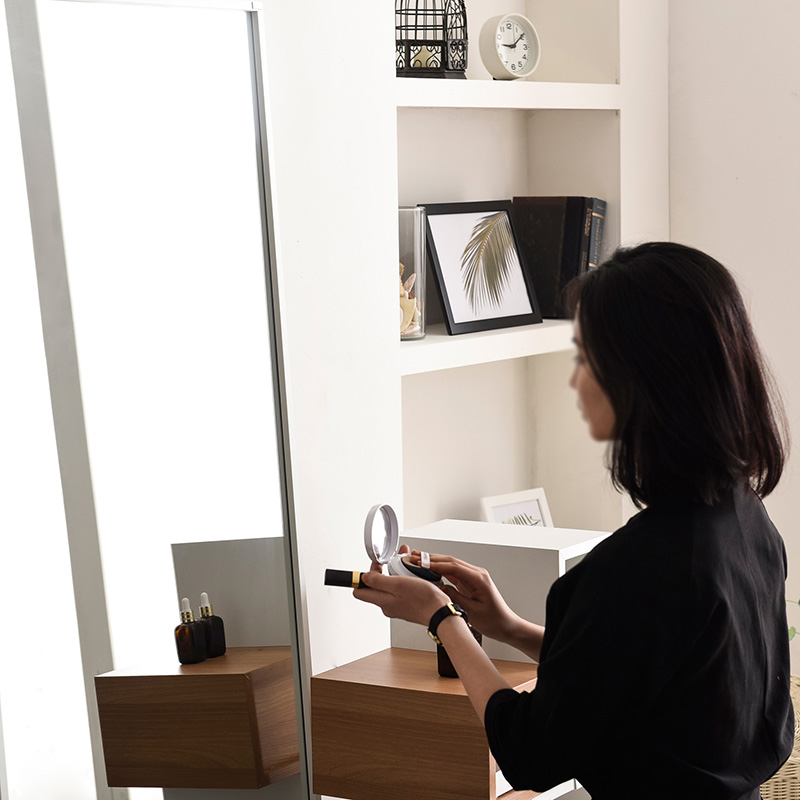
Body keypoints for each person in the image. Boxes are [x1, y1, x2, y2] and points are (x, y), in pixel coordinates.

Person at [354, 242, 794, 800]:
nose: (574, 381)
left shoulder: (638, 570)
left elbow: (530, 752)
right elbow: (629, 678)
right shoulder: (746, 521)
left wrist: (442, 618)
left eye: (585, 360)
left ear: (643, 377)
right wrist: (507, 627)